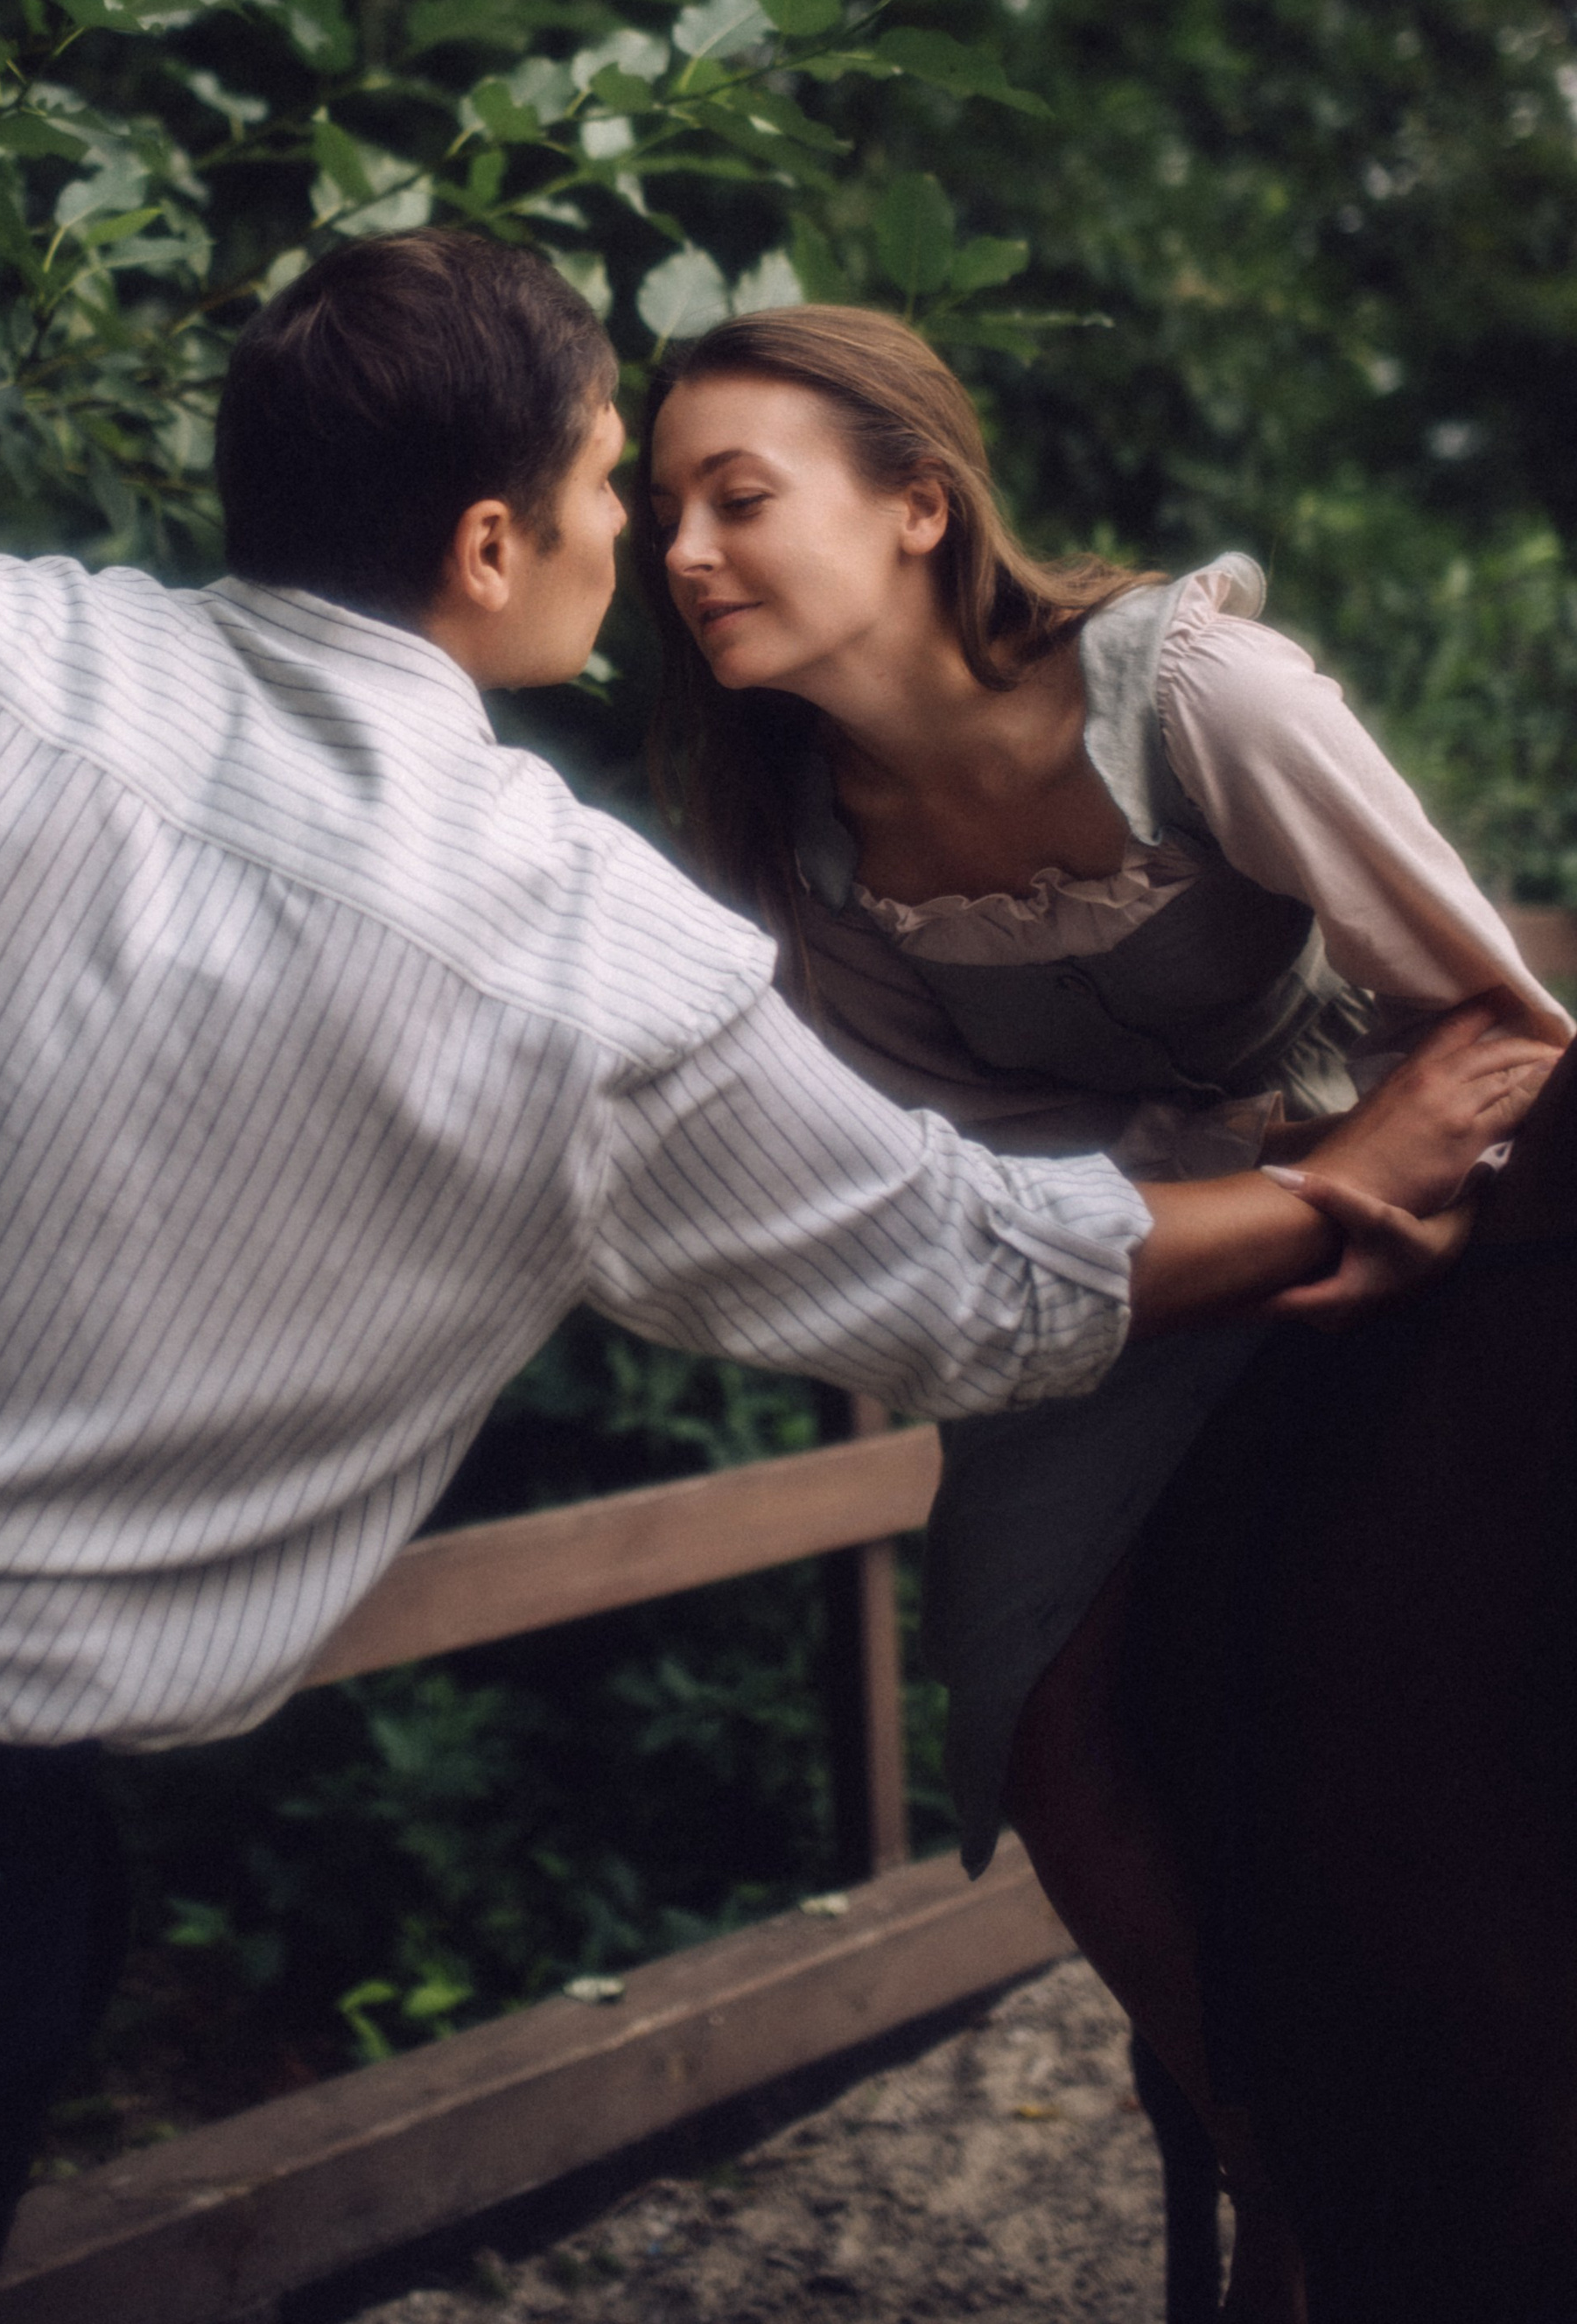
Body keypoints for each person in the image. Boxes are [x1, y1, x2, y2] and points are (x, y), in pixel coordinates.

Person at [0, 233, 1504, 2324]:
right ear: (487, 547)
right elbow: (970, 1269)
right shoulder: (583, 955)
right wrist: (1338, 1194)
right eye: (606, 489)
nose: (644, 549)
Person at [640, 298, 1566, 2323]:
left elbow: (1492, 1008)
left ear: (912, 503)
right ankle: (1285, 2154)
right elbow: (957, 1188)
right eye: (657, 515)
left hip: (1396, 1157)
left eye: (732, 497)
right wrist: (1241, 1225)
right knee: (1036, 1707)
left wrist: (1366, 1197)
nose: (680, 552)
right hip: (1119, 1275)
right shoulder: (803, 847)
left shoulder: (1194, 692)